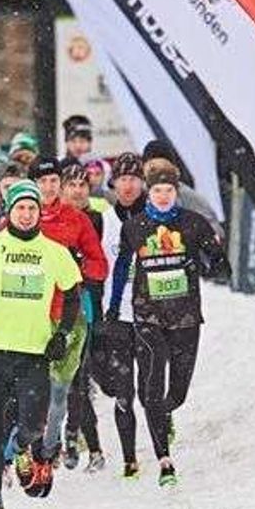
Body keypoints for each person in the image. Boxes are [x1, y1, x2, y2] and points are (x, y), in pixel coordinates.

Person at [0, 180, 83, 509]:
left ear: (38, 212)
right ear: (9, 211)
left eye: (31, 208)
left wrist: (61, 334)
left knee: (32, 425)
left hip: (34, 354)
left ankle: (22, 448)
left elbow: (73, 294)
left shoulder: (54, 252)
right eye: (20, 208)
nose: (26, 214)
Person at [108, 159, 228, 486]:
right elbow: (121, 270)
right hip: (147, 315)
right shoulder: (135, 227)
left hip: (185, 316)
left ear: (177, 192)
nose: (162, 196)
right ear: (150, 192)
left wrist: (214, 262)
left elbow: (218, 260)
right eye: (157, 190)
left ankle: (164, 413)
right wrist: (113, 308)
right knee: (151, 384)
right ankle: (165, 460)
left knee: (177, 392)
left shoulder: (193, 223)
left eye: (168, 190)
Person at [28, 157, 108, 469]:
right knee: (30, 386)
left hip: (68, 313)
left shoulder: (76, 219)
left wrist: (77, 267)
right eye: (42, 181)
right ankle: (32, 448)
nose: (48, 187)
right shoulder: (19, 215)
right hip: (29, 314)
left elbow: (100, 266)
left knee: (65, 387)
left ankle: (56, 443)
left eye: (53, 181)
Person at [98, 152, 147, 478]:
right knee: (122, 391)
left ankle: (162, 423)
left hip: (150, 314)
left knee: (150, 389)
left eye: (134, 179)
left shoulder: (155, 216)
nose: (128, 186)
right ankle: (130, 458)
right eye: (122, 179)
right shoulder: (104, 220)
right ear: (113, 183)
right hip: (115, 315)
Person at [58, 161, 107, 472]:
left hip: (84, 302)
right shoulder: (46, 218)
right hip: (48, 306)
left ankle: (78, 439)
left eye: (82, 186)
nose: (77, 191)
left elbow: (96, 265)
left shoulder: (94, 218)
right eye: (71, 185)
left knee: (79, 375)